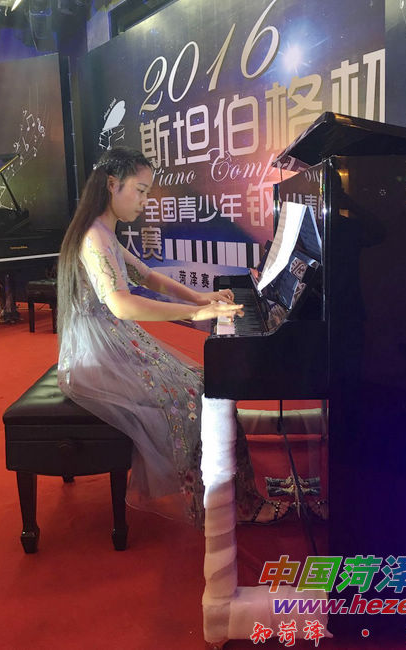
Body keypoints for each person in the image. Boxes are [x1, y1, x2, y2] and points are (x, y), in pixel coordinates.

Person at [57, 146, 290, 527]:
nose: (145, 201)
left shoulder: (104, 232)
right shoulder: (94, 237)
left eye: (147, 192)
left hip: (113, 343)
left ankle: (231, 495)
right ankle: (228, 503)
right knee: (197, 394)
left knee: (202, 384)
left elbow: (148, 276)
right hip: (98, 355)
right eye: (140, 191)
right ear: (112, 185)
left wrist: (199, 297)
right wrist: (194, 313)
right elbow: (121, 305)